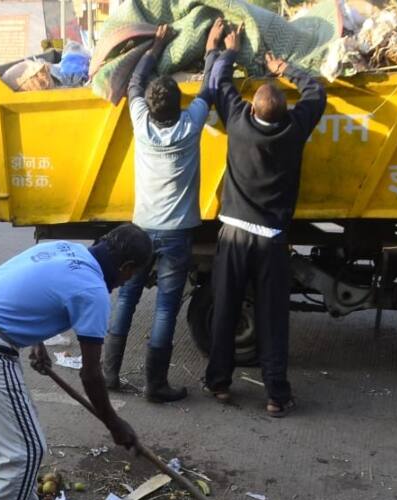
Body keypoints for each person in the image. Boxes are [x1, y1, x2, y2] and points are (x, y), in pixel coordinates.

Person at [0, 223, 152, 500]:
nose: (123, 284)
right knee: (26, 450)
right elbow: (91, 374)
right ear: (126, 267)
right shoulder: (94, 291)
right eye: (130, 277)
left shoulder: (66, 250)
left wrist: (36, 341)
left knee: (20, 433)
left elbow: (29, 291)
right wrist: (114, 423)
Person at [202, 25, 326, 416]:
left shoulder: (238, 122)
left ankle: (219, 383)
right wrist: (285, 67)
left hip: (234, 235)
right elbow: (316, 91)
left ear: (252, 108)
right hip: (271, 241)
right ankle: (276, 395)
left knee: (225, 309)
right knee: (273, 319)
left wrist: (229, 51)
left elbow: (218, 82)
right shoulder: (294, 130)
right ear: (285, 111)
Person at [102, 20, 224, 403]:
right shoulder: (190, 125)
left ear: (151, 109)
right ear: (178, 105)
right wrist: (213, 49)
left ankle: (109, 373)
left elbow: (135, 84)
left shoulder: (141, 122)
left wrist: (155, 48)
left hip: (140, 231)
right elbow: (210, 87)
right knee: (167, 307)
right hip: (176, 235)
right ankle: (156, 385)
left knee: (127, 298)